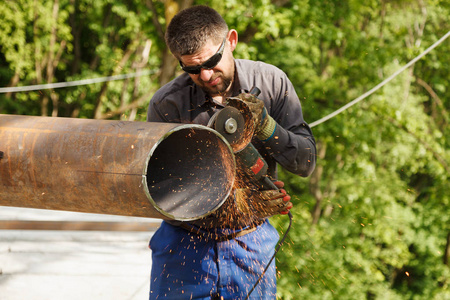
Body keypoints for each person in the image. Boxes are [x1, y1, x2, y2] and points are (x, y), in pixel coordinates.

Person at [146, 5, 316, 299]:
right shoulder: (167, 105)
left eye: (212, 61)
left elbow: (306, 162)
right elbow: (160, 191)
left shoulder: (271, 83)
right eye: (193, 69)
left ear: (232, 40)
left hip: (250, 242)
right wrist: (242, 203)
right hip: (183, 245)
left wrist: (267, 129)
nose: (207, 74)